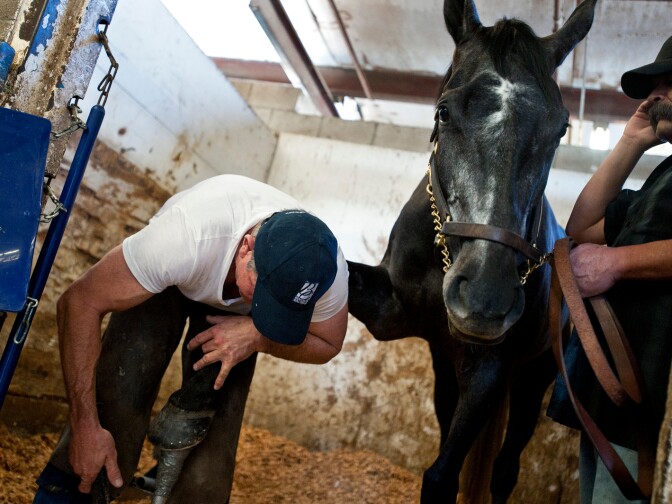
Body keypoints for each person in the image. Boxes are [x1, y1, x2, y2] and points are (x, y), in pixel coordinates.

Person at [32, 174, 349, 503]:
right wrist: (84, 424)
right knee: (125, 376)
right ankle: (70, 490)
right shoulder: (184, 237)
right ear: (246, 248)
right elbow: (79, 301)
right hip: (184, 270)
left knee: (216, 428)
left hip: (236, 298)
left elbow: (328, 344)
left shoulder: (326, 274)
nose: (260, 307)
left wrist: (258, 336)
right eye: (264, 294)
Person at [547, 35, 672, 503]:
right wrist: (630, 143)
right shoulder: (662, 180)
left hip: (653, 403)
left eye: (670, 83)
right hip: (619, 393)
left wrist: (616, 262)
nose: (656, 94)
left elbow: (601, 249)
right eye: (655, 84)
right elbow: (583, 225)